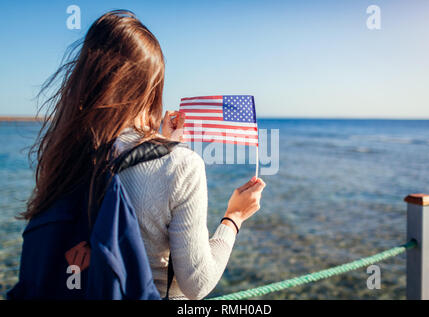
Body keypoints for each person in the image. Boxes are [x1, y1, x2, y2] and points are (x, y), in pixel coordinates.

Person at [24, 10, 266, 300]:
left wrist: (160, 144)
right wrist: (233, 217)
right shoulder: (182, 165)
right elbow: (196, 284)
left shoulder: (65, 152)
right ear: (151, 86)